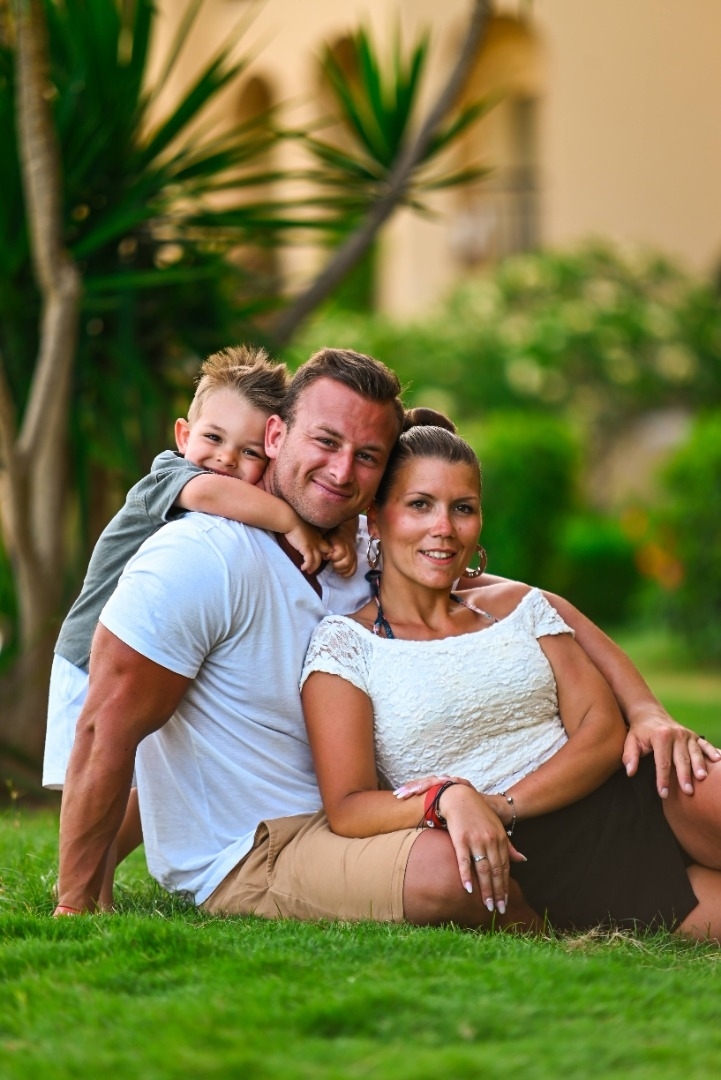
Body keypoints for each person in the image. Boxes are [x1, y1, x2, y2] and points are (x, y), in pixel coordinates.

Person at [53, 348, 718, 924]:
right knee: (451, 870)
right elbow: (107, 725)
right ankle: (578, 913)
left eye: (366, 456)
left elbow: (533, 606)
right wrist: (78, 901)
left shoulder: (362, 544)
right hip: (258, 846)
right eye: (326, 442)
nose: (342, 471)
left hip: (375, 821)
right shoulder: (202, 556)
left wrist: (646, 711)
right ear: (276, 434)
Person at [300, 419, 721, 939]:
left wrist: (501, 805)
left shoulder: (515, 606)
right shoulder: (345, 645)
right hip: (530, 859)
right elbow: (348, 806)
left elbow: (601, 727)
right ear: (376, 520)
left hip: (631, 789)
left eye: (463, 508)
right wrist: (447, 798)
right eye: (420, 505)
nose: (444, 527)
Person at [44, 345, 356, 902]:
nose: (226, 459)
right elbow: (210, 491)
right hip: (92, 653)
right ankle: (81, 897)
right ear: (184, 434)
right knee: (102, 765)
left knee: (146, 786)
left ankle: (98, 875)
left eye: (249, 451)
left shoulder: (239, 506)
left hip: (160, 649)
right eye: (213, 438)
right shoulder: (170, 476)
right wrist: (290, 520)